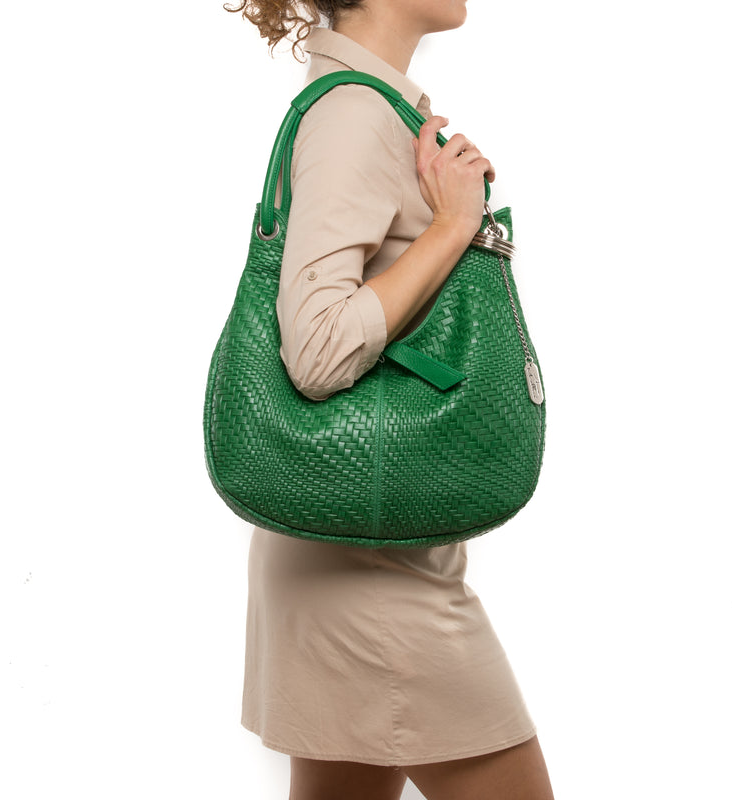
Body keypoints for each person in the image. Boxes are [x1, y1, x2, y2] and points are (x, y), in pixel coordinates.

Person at [224, 2, 556, 798]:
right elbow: (316, 351)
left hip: (353, 539)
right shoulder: (353, 116)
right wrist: (452, 226)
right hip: (369, 572)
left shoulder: (369, 106)